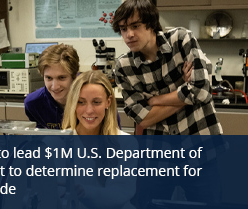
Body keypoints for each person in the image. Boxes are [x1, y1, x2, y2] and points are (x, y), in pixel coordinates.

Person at [111, 0, 228, 208]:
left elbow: (201, 90)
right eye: (123, 29)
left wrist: (154, 100)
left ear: (151, 24)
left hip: (200, 149)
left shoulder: (181, 39)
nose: (128, 34)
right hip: (157, 158)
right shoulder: (123, 67)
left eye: (135, 26)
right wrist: (185, 90)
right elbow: (143, 119)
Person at [24, 44, 80, 129]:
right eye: (49, 78)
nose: (55, 87)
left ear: (75, 76)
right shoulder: (34, 103)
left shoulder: (88, 98)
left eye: (61, 78)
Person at [62, 70, 127, 135]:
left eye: (96, 102)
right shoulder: (60, 141)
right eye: (81, 102)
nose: (89, 111)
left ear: (108, 102)